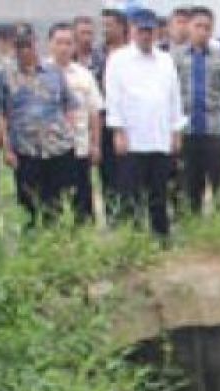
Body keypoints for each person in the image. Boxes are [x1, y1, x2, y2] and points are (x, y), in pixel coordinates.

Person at [106, 7, 185, 240]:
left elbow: (174, 97)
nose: (146, 35)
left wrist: (176, 130)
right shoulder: (118, 59)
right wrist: (118, 131)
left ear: (156, 33)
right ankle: (132, 236)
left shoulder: (165, 60)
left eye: (150, 31)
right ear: (132, 31)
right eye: (141, 31)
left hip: (160, 135)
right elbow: (114, 98)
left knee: (159, 190)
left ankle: (161, 234)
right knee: (130, 191)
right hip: (132, 137)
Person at [0, 24, 77, 225]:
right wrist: (7, 149)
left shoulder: (53, 71)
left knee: (54, 203)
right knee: (27, 204)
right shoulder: (3, 75)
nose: (24, 51)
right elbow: (0, 115)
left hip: (57, 148)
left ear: (35, 44)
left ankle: (53, 243)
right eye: (19, 47)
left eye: (28, 45)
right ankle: (31, 244)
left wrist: (70, 132)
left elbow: (69, 104)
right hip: (25, 149)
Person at [174, 6, 220, 213]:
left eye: (207, 27)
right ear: (189, 27)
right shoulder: (175, 58)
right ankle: (192, 222)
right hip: (186, 129)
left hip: (215, 128)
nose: (202, 31)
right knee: (190, 181)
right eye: (198, 26)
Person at [47, 23, 102, 223]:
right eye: (59, 42)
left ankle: (85, 239)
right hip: (50, 150)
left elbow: (94, 112)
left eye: (68, 43)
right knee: (53, 202)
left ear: (74, 47)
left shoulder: (84, 75)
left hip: (79, 147)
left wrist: (95, 144)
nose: (64, 47)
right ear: (50, 45)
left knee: (83, 201)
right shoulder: (40, 74)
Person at [96, 8, 130, 219]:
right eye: (103, 25)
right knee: (107, 173)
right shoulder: (96, 55)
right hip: (103, 121)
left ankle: (130, 215)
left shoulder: (132, 54)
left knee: (129, 172)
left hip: (129, 122)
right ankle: (112, 217)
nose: (105, 29)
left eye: (110, 25)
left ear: (122, 27)